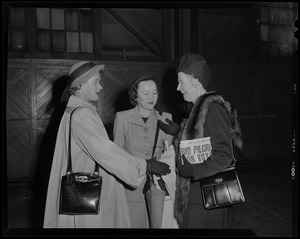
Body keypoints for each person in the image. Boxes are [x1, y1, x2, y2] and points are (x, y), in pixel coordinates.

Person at [43, 61, 170, 228]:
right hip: (87, 190)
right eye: (95, 82)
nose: (101, 87)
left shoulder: (77, 110)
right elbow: (106, 152)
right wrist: (144, 165)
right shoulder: (81, 114)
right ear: (80, 85)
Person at [158, 53, 243, 229]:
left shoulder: (214, 109)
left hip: (208, 198)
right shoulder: (198, 109)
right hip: (194, 196)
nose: (177, 88)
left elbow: (224, 156)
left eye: (181, 82)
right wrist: (178, 132)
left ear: (196, 81)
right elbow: (201, 140)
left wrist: (191, 171)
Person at [113, 74, 178, 228]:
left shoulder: (165, 118)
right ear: (136, 96)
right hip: (132, 187)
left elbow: (171, 155)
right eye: (146, 93)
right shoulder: (122, 118)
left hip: (159, 188)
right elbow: (117, 157)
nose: (151, 97)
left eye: (154, 92)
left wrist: (178, 134)